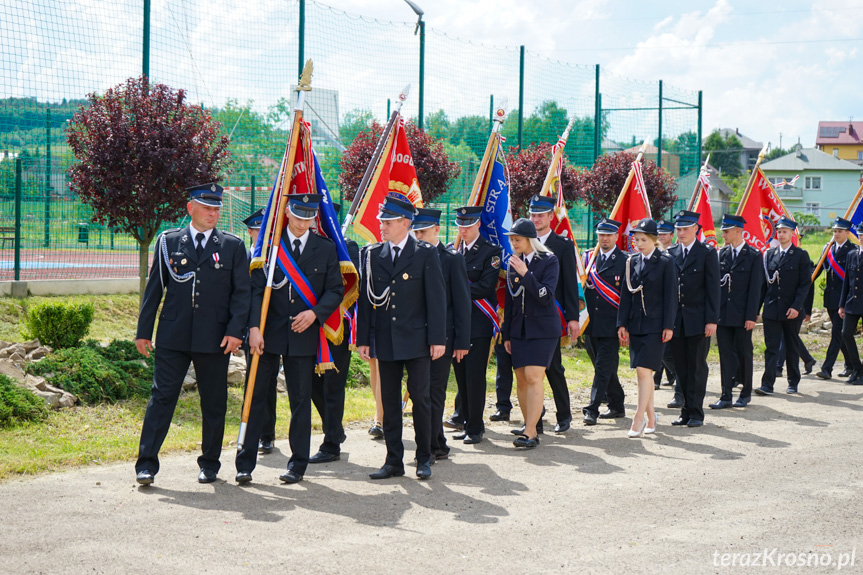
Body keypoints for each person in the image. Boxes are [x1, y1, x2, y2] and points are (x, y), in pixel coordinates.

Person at [134, 183, 250, 485]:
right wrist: (143, 332)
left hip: (215, 339)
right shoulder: (168, 242)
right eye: (207, 208)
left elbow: (242, 294)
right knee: (161, 397)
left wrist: (236, 331)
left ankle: (210, 463)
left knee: (214, 402)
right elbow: (154, 289)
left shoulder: (233, 245)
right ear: (191, 209)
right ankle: (146, 464)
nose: (214, 213)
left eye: (217, 209)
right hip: (173, 336)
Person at [235, 193, 343, 485]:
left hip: (303, 335)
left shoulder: (325, 248)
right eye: (298, 216)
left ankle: (297, 464)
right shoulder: (269, 247)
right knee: (255, 397)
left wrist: (315, 314)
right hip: (266, 335)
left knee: (299, 401)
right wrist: (253, 328)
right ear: (286, 213)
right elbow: (255, 290)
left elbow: (335, 289)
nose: (302, 223)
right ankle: (245, 462)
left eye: (309, 217)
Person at [357, 196, 446, 480]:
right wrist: (363, 339)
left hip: (417, 340)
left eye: (388, 221)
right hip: (386, 340)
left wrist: (437, 339)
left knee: (420, 398)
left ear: (405, 223)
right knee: (389, 400)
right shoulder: (372, 254)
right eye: (382, 220)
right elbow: (366, 300)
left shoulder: (424, 253)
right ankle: (393, 460)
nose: (381, 225)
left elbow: (436, 299)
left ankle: (424, 457)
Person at [411, 208, 471, 460]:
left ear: (436, 229)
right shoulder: (410, 256)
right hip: (415, 337)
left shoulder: (451, 258)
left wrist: (461, 341)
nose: (418, 236)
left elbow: (462, 303)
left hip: (443, 339)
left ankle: (433, 446)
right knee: (418, 393)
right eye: (415, 232)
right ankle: (436, 441)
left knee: (434, 392)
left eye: (423, 231)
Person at [501, 218, 560, 449]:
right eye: (512, 240)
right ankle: (530, 425)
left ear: (530, 240)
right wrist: (506, 334)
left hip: (543, 329)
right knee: (522, 379)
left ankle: (530, 431)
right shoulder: (513, 262)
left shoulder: (549, 260)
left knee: (535, 376)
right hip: (518, 330)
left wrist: (526, 273)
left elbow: (545, 297)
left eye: (517, 240)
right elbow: (510, 301)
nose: (514, 244)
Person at [308, 202, 360, 464]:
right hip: (307, 325)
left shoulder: (347, 247)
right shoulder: (305, 245)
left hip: (335, 327)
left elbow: (350, 285)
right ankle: (336, 430)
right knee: (310, 384)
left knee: (332, 386)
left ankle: (330, 445)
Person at [617, 218, 677, 438]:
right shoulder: (631, 261)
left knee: (644, 371)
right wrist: (621, 323)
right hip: (636, 324)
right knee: (643, 375)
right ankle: (652, 417)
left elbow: (671, 296)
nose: (638, 243)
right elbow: (626, 295)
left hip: (656, 325)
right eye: (636, 239)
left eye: (643, 239)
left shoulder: (665, 262)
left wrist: (669, 325)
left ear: (654, 239)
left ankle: (638, 418)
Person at [528, 194, 581, 433]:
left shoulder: (563, 245)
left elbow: (570, 284)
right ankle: (534, 420)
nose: (536, 219)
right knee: (529, 370)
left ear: (551, 216)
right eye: (533, 214)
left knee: (553, 367)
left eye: (540, 215)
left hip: (552, 317)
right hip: (527, 316)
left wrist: (572, 318)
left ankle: (564, 414)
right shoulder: (524, 242)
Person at [451, 205, 500, 444]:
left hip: (478, 324)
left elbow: (485, 287)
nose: (464, 229)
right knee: (461, 377)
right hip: (456, 325)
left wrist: (455, 291)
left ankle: (476, 428)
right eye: (460, 225)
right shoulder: (454, 251)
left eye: (468, 225)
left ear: (477, 225)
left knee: (474, 377)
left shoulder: (490, 252)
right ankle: (466, 421)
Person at [666, 210, 720, 427]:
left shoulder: (707, 253)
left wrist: (712, 320)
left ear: (696, 229)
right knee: (681, 368)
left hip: (699, 320)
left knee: (697, 367)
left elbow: (713, 289)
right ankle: (686, 411)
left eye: (685, 229)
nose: (681, 233)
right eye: (678, 229)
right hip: (677, 321)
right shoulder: (671, 253)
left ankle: (696, 413)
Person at [711, 214, 762, 409]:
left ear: (738, 231)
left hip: (742, 316)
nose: (723, 234)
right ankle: (725, 395)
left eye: (726, 231)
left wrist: (751, 316)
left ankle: (745, 393)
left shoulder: (754, 255)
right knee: (724, 355)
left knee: (744, 354)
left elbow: (755, 289)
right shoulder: (721, 254)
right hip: (723, 315)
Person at [756, 217, 812, 396]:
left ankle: (793, 381)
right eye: (779, 231)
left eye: (784, 231)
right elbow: (764, 284)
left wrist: (797, 307)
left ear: (792, 234)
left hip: (791, 310)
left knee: (791, 346)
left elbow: (804, 284)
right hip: (772, 308)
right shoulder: (770, 255)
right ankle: (767, 384)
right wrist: (756, 309)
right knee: (771, 347)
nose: (781, 234)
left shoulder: (801, 255)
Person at [581, 218, 627, 425]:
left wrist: (624, 324)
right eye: (601, 235)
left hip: (611, 325)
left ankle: (592, 409)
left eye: (608, 235)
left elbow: (627, 297)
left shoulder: (625, 260)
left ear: (616, 236)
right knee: (605, 367)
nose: (604, 239)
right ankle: (617, 404)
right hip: (591, 324)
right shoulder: (588, 257)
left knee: (602, 367)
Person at [241, 208, 279, 455]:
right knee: (253, 383)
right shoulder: (243, 257)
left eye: (266, 232)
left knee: (269, 382)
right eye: (258, 231)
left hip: (275, 329)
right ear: (251, 232)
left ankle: (267, 434)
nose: (262, 236)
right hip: (251, 329)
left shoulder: (277, 257)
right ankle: (251, 435)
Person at [814, 218, 856, 380]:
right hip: (830, 297)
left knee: (837, 332)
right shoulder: (828, 249)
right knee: (842, 334)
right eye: (835, 231)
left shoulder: (852, 250)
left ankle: (827, 368)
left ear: (847, 233)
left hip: (844, 300)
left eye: (840, 231)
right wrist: (807, 280)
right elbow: (818, 268)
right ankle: (851, 365)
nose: (836, 234)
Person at [654, 219, 678, 392]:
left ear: (672, 235)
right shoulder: (654, 253)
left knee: (668, 349)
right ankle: (656, 378)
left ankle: (676, 374)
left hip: (672, 306)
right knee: (659, 348)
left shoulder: (674, 254)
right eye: (659, 233)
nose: (661, 236)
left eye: (664, 233)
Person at [839, 223, 863, 385]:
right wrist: (841, 305)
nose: (862, 238)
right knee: (846, 333)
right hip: (852, 302)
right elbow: (847, 281)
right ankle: (857, 369)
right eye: (860, 235)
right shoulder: (852, 254)